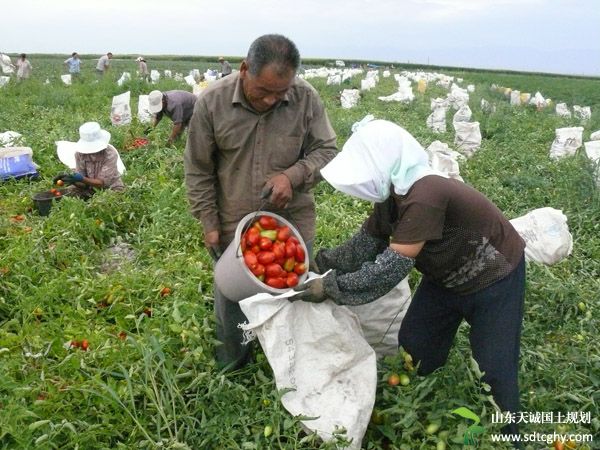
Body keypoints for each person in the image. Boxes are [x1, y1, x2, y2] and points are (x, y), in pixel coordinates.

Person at [292, 119, 526, 446]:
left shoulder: (426, 193)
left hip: (494, 276)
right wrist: (322, 264)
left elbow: (391, 268)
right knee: (416, 344)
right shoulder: (393, 196)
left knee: (494, 365)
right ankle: (422, 401)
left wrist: (331, 287)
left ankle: (509, 436)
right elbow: (365, 244)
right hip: (446, 277)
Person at [184, 34, 337, 370]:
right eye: (263, 90)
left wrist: (293, 176)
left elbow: (327, 151)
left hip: (290, 222)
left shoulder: (305, 99)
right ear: (243, 70)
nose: (271, 100)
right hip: (233, 220)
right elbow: (198, 169)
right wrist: (209, 223)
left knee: (293, 293)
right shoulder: (212, 103)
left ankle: (289, 367)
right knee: (232, 298)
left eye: (280, 93)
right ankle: (233, 364)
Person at [54, 122, 125, 199]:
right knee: (66, 194)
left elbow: (101, 183)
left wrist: (81, 178)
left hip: (111, 187)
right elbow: (83, 184)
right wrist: (72, 180)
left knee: (109, 198)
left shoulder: (110, 154)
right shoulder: (80, 155)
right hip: (89, 188)